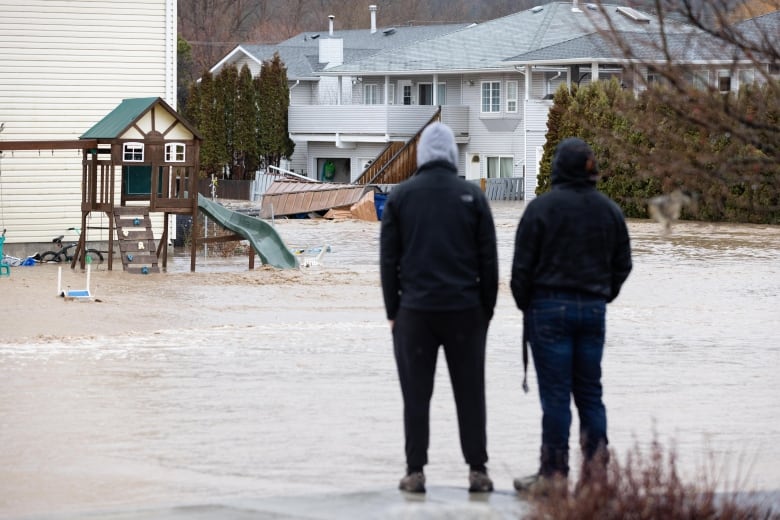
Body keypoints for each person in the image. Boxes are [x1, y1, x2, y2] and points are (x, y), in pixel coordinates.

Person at [380, 122, 499, 494]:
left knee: (416, 394)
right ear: (451, 153)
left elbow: (388, 261)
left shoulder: (401, 197)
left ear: (421, 155)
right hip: (465, 311)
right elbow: (489, 261)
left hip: (415, 312)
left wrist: (393, 311)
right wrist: (486, 311)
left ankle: (415, 472)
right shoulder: (472, 196)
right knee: (470, 391)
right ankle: (477, 470)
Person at [510, 137, 632, 495]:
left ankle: (554, 476)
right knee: (591, 395)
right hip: (593, 310)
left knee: (556, 398)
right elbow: (623, 265)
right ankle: (596, 481)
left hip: (548, 310)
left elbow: (520, 271)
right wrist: (602, 295)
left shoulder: (540, 209)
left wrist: (529, 306)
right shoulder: (610, 211)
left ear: (557, 169)